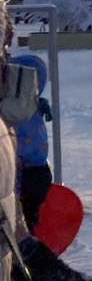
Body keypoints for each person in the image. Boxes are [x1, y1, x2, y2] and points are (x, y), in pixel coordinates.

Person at [10, 50, 52, 231]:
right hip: (34, 169)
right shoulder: (29, 104)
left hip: (28, 170)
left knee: (24, 212)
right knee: (27, 212)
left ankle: (27, 237)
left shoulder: (15, 107)